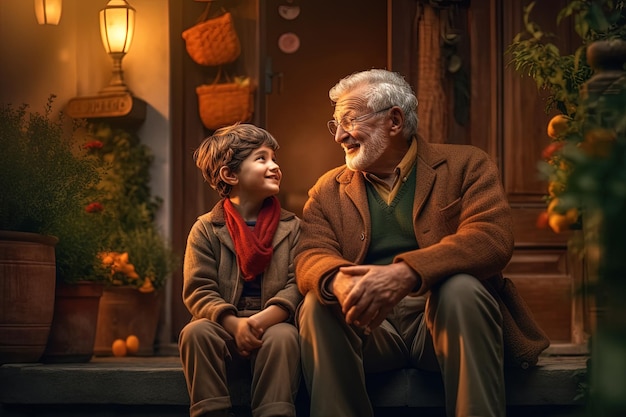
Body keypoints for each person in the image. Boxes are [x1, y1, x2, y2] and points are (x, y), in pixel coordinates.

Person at [295, 69, 549, 417]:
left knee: (461, 288)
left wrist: (405, 274)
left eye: (349, 120)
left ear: (394, 120)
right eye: (335, 124)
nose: (339, 135)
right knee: (317, 302)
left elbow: (491, 239)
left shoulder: (465, 164)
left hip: (444, 324)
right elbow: (310, 253)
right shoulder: (328, 188)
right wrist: (338, 281)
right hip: (370, 329)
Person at [179, 124, 302, 417]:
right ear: (230, 175)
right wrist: (234, 324)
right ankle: (212, 410)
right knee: (195, 333)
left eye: (274, 158)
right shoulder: (206, 229)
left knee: (285, 337)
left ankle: (274, 411)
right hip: (224, 327)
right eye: (261, 159)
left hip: (270, 324)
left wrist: (259, 322)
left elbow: (296, 284)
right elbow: (199, 290)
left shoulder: (293, 227)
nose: (274, 166)